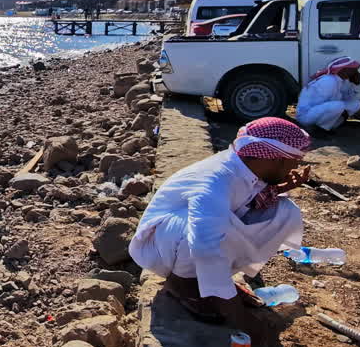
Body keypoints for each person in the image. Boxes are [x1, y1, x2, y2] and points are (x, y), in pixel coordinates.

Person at [129, 117, 312, 327]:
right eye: (293, 162)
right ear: (276, 159)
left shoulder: (243, 166)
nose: (294, 167)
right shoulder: (216, 180)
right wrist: (237, 315)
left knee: (284, 211)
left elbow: (244, 202)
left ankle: (214, 284)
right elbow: (205, 245)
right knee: (204, 230)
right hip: (160, 247)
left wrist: (275, 188)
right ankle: (182, 284)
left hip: (187, 239)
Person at [296, 56, 360, 133]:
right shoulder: (329, 81)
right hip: (306, 115)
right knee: (338, 105)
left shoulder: (342, 81)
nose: (356, 73)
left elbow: (349, 98)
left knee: (355, 104)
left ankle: (329, 126)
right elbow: (322, 103)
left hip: (319, 111)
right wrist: (342, 110)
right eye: (353, 70)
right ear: (344, 70)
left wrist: (354, 83)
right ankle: (319, 130)